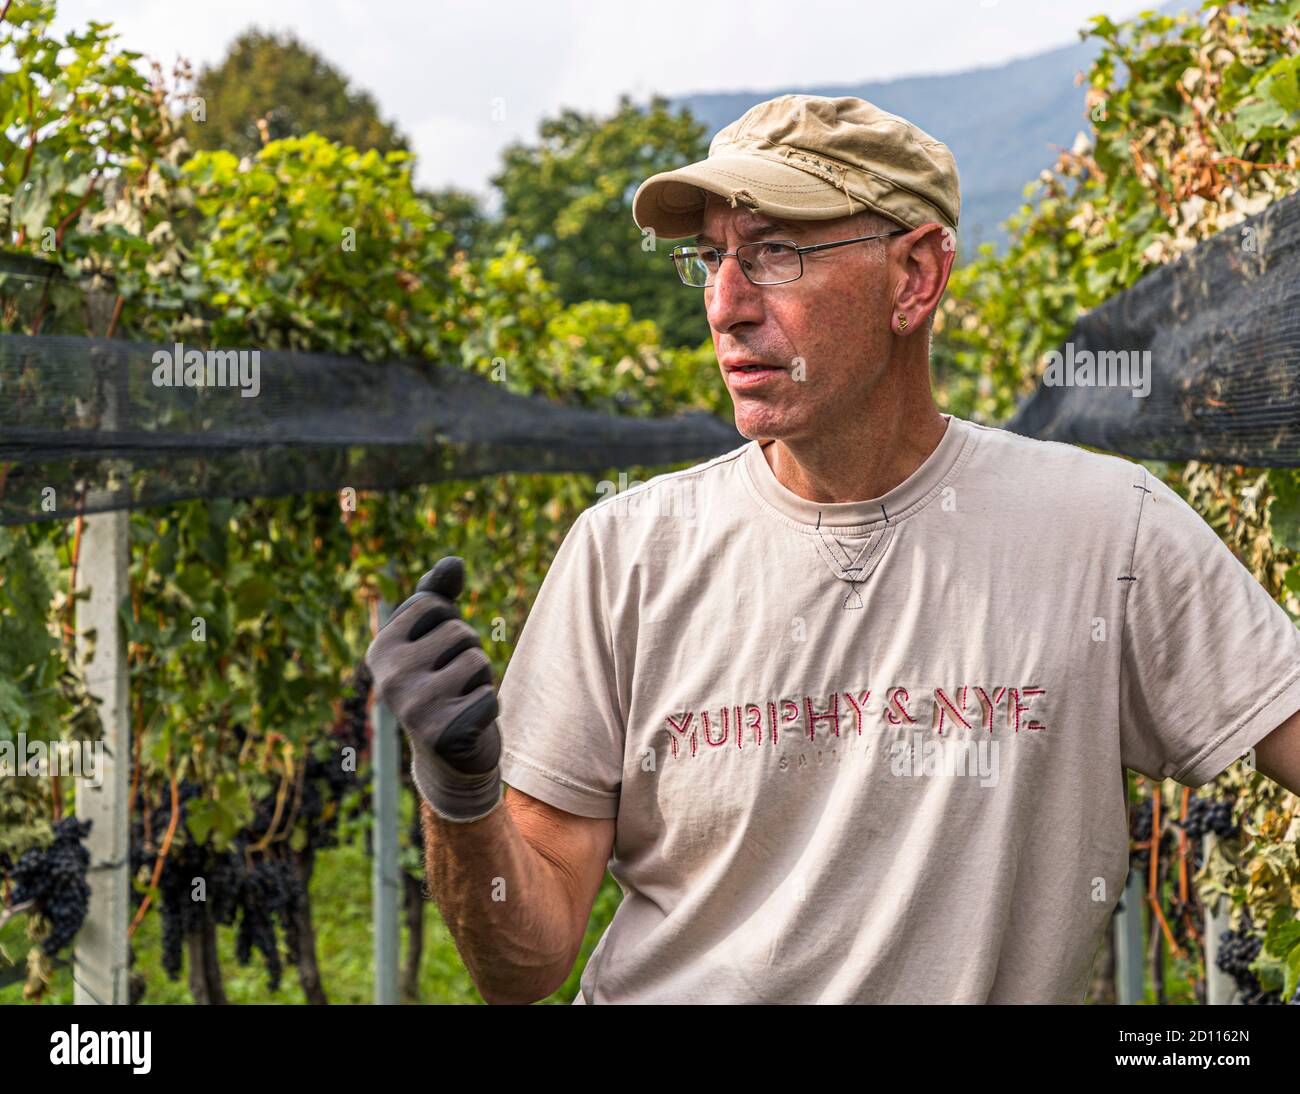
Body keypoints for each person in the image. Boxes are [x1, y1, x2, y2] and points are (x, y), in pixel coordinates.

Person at [365, 94, 1300, 1004]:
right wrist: (460, 796)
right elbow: (521, 967)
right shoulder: (627, 553)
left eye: (775, 254)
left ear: (914, 278)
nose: (726, 305)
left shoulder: (1110, 533)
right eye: (711, 259)